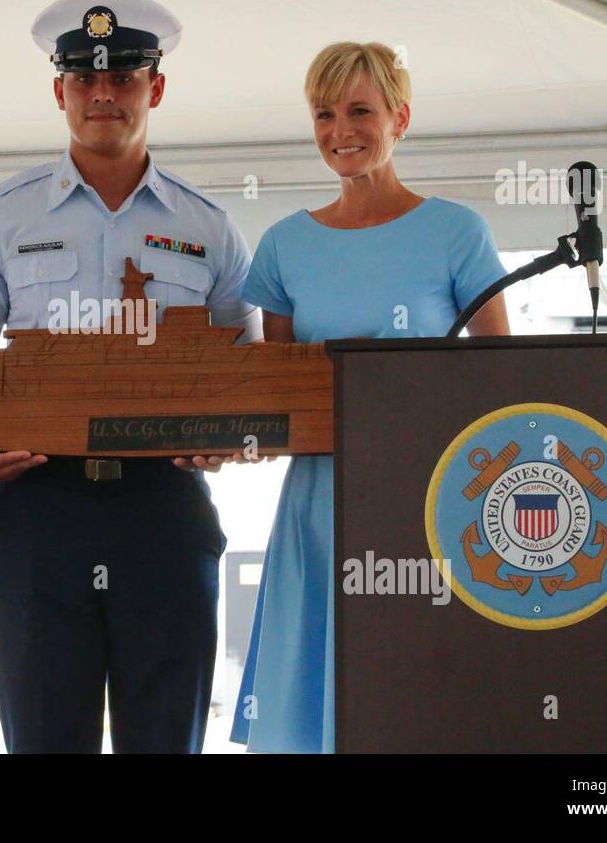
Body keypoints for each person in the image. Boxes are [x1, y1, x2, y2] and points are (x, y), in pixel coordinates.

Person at [0, 0, 261, 753]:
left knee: (165, 737)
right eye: (84, 78)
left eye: (123, 77)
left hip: (165, 511)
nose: (103, 94)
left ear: (156, 87)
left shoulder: (208, 224)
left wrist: (227, 435)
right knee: (45, 736)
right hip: (40, 510)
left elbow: (246, 373)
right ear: (60, 92)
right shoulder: (4, 216)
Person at [231, 41, 510, 753]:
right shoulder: (284, 245)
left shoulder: (456, 232)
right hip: (320, 504)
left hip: (432, 497)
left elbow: (506, 379)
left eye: (360, 110)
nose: (340, 130)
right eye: (324, 114)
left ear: (400, 118)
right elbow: (279, 394)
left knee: (420, 696)